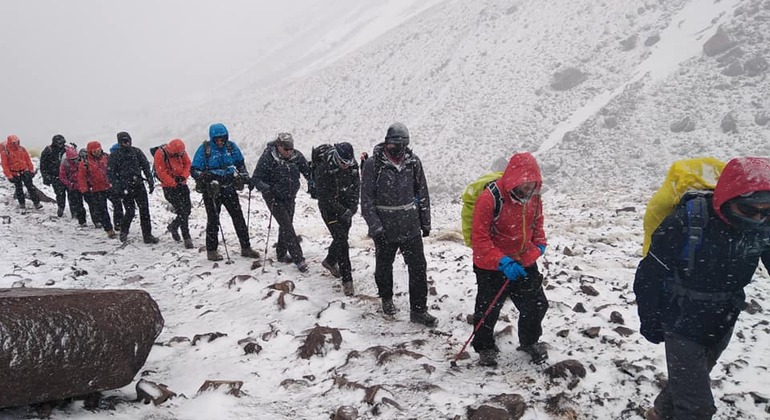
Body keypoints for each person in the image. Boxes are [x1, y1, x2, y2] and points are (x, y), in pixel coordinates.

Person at [635, 157, 770, 420]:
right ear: (728, 200)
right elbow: (649, 274)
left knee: (692, 377)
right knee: (697, 409)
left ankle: (659, 413)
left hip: (725, 317)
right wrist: (649, 320)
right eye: (749, 209)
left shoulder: (763, 226)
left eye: (766, 211)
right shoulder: (686, 221)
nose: (758, 218)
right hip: (681, 319)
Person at [469, 152, 549, 367]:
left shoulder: (534, 198)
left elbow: (537, 227)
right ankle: (485, 347)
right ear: (513, 179)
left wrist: (537, 248)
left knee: (537, 304)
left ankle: (529, 341)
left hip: (522, 261)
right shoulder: (489, 198)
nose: (528, 188)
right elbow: (480, 239)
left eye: (532, 183)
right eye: (524, 184)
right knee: (488, 310)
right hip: (490, 265)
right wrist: (502, 261)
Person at [360, 122, 436, 327]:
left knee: (419, 268)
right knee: (384, 267)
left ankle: (418, 311)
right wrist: (376, 228)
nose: (399, 150)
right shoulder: (373, 165)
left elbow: (422, 192)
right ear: (387, 143)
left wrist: (425, 221)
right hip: (385, 226)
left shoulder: (413, 162)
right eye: (396, 145)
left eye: (403, 145)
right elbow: (366, 200)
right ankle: (386, 298)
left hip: (410, 224)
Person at [191, 123, 260, 261]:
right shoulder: (205, 149)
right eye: (217, 139)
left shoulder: (231, 147)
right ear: (212, 138)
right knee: (213, 220)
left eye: (222, 138)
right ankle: (212, 251)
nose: (220, 141)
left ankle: (246, 248)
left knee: (238, 217)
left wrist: (244, 175)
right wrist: (204, 177)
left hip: (228, 186)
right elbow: (194, 170)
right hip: (212, 190)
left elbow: (240, 163)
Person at [250, 132, 311, 272]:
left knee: (286, 223)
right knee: (287, 226)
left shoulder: (296, 156)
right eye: (286, 149)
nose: (289, 152)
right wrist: (268, 189)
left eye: (291, 148)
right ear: (279, 146)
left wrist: (312, 182)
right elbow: (256, 178)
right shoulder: (268, 157)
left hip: (290, 196)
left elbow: (307, 171)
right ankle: (299, 259)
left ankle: (281, 253)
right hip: (273, 197)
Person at [314, 142, 360, 295]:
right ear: (336, 158)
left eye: (349, 162)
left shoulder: (353, 167)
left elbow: (356, 188)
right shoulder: (324, 169)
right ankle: (347, 280)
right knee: (342, 240)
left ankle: (329, 261)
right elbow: (325, 198)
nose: (346, 165)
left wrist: (352, 208)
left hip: (347, 207)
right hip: (329, 211)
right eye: (343, 162)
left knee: (342, 237)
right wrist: (342, 211)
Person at [107, 132, 158, 244]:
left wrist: (150, 180)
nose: (127, 142)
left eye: (128, 140)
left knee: (144, 211)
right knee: (130, 211)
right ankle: (124, 232)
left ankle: (147, 236)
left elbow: (145, 166)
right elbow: (111, 174)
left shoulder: (136, 152)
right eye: (124, 141)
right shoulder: (115, 156)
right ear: (119, 142)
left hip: (138, 185)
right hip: (125, 188)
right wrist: (118, 188)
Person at [154, 139, 194, 249]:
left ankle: (174, 226)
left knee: (187, 210)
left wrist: (183, 177)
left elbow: (188, 164)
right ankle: (186, 237)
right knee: (182, 211)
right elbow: (161, 172)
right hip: (169, 188)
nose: (182, 154)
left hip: (182, 184)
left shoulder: (181, 151)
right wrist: (173, 182)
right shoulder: (160, 154)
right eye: (180, 153)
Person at [77, 141, 115, 238]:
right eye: (95, 151)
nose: (97, 152)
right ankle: (109, 229)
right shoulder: (85, 163)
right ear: (90, 152)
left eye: (99, 150)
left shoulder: (107, 157)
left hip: (109, 186)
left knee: (118, 205)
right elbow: (82, 178)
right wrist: (85, 191)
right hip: (96, 189)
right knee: (103, 210)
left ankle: (118, 224)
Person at [1, 135, 42, 210]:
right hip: (14, 173)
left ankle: (37, 203)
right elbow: (5, 165)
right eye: (14, 142)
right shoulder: (5, 152)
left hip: (25, 171)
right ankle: (22, 204)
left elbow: (28, 160)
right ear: (10, 142)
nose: (16, 144)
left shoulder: (22, 149)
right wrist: (9, 176)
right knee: (19, 189)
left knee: (31, 187)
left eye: (17, 142)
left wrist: (31, 170)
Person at [40, 134, 69, 217]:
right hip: (55, 176)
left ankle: (74, 211)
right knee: (60, 194)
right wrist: (46, 177)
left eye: (62, 143)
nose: (61, 145)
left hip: (67, 176)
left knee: (72, 195)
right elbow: (43, 165)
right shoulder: (48, 151)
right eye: (59, 143)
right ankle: (61, 207)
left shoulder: (67, 150)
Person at [58, 145, 87, 226]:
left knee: (90, 203)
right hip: (73, 186)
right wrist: (70, 184)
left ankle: (94, 220)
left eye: (75, 159)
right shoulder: (65, 164)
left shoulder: (81, 162)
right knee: (78, 204)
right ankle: (81, 220)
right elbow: (62, 176)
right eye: (72, 159)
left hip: (82, 185)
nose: (74, 161)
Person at [108, 142, 125, 231]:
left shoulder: (110, 158)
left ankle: (119, 223)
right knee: (118, 205)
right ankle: (118, 223)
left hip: (116, 186)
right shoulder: (112, 159)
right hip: (113, 187)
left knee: (118, 205)